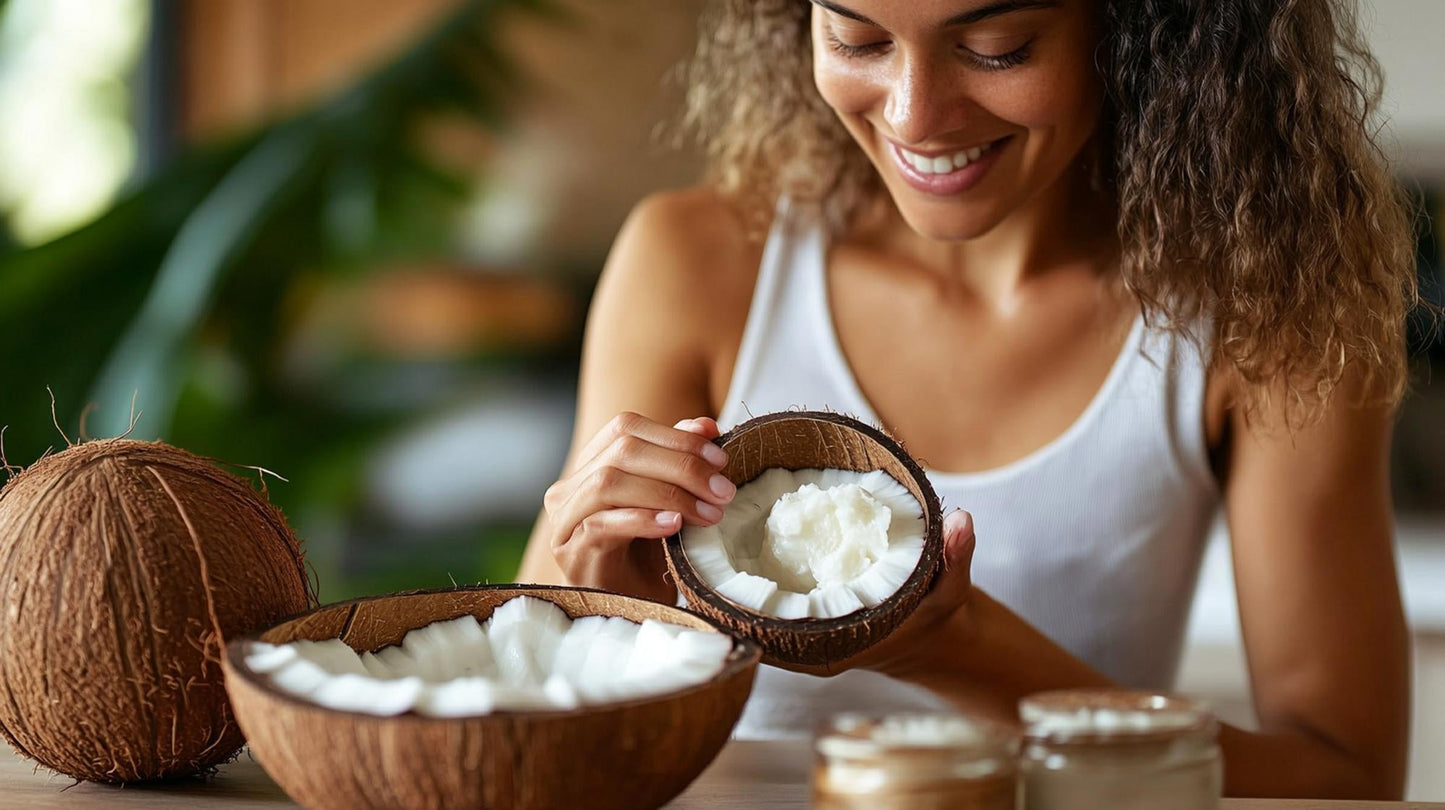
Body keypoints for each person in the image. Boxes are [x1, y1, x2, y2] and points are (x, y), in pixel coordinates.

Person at [517, 0, 1419, 798]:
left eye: (998, 47)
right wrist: (595, 614)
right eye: (856, 38)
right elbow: (530, 725)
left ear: (1143, 31)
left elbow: (1343, 779)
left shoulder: (1267, 305)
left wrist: (958, 651)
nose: (914, 115)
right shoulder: (697, 261)